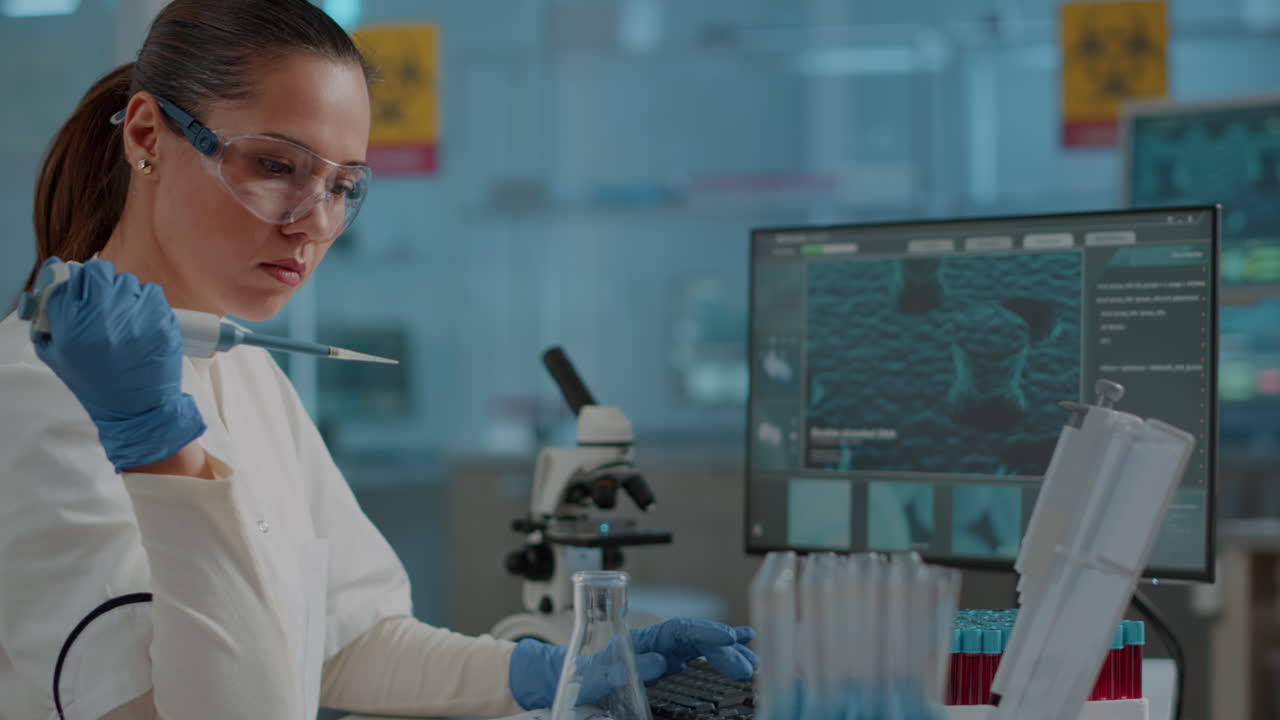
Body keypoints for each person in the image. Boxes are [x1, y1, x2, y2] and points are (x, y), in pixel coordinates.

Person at [0, 2, 756, 718]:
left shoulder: (244, 369)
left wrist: (553, 673)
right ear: (144, 138)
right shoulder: (36, 401)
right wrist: (162, 448)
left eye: (343, 185)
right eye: (274, 165)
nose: (315, 224)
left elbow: (349, 638)